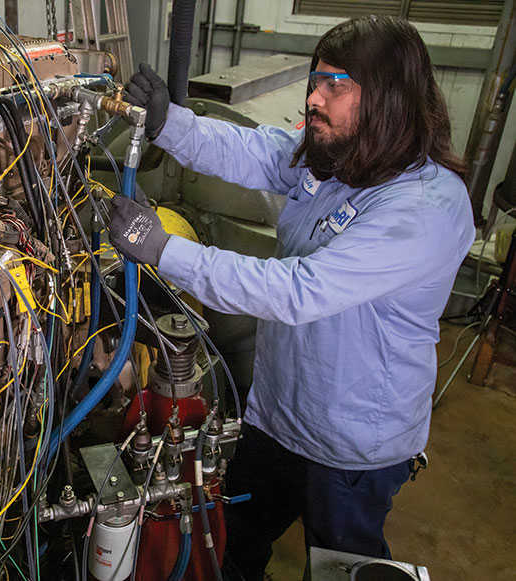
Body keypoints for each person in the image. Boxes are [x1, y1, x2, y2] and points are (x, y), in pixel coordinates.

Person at [110, 15, 475, 580]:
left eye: (337, 84)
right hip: (278, 418)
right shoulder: (338, 158)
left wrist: (163, 249)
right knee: (232, 546)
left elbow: (298, 290)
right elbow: (253, 151)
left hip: (353, 448)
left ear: (388, 100)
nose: (315, 97)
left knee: (338, 565)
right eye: (316, 79)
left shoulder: (425, 207)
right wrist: (169, 124)